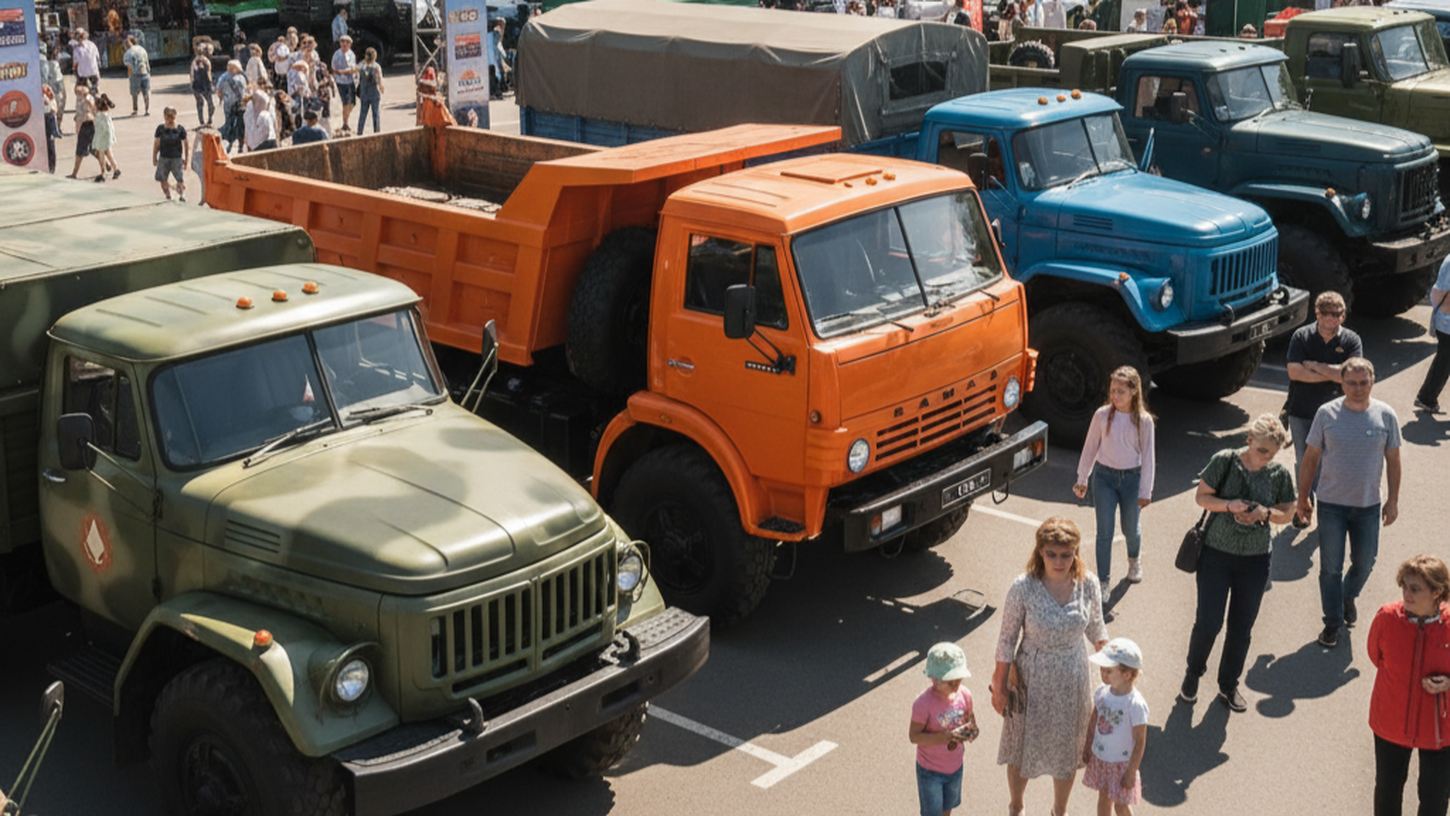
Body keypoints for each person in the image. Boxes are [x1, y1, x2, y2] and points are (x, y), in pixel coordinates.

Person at [1179, 414, 1296, 713]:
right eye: (1262, 451)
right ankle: (1193, 674)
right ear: (1249, 441)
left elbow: (1288, 513)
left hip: (1255, 560)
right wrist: (1229, 505)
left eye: (1271, 453)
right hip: (1216, 554)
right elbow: (1202, 497)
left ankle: (1228, 684)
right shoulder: (1225, 460)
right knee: (1209, 622)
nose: (1266, 458)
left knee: (1241, 627)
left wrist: (1265, 514)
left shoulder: (1279, 474)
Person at [993, 517, 1108, 816]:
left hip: (1073, 678)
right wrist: (999, 686)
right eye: (1052, 554)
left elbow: (1097, 629)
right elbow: (1006, 640)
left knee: (1067, 749)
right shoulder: (1023, 587)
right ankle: (1016, 806)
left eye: (1066, 554)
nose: (1059, 561)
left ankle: (1060, 810)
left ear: (1076, 553)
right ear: (1040, 552)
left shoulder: (1089, 584)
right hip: (1031, 679)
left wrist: (1114, 674)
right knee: (1021, 748)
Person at [1299, 357, 1402, 649]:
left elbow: (1393, 461)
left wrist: (1393, 500)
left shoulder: (1386, 416)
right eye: (1351, 383)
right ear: (1341, 383)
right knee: (1330, 568)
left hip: (1368, 505)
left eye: (1363, 382)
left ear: (1372, 381)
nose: (1358, 388)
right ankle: (1332, 624)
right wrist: (1302, 497)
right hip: (1331, 505)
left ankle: (1346, 596)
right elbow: (1310, 459)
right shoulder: (1326, 414)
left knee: (1365, 562)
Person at [1367, 554, 1450, 816]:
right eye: (1404, 585)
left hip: (1441, 729)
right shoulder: (1387, 618)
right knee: (1388, 791)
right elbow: (1375, 655)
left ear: (1437, 592)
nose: (1406, 593)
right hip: (1390, 721)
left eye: (1415, 588)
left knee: (1435, 797)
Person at [1074, 366, 1156, 592]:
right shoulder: (1101, 415)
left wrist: (1145, 492)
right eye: (1113, 390)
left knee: (1131, 528)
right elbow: (1090, 448)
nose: (1115, 396)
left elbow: (1149, 458)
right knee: (1104, 532)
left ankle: (1134, 560)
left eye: (1121, 391)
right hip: (1104, 478)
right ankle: (1103, 581)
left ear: (1133, 392)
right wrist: (1083, 478)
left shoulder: (1144, 420)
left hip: (1132, 479)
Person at [1286, 291, 1363, 527]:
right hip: (1302, 411)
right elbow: (1294, 372)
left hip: (1337, 412)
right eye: (1327, 314)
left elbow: (1351, 375)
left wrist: (1316, 366)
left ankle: (1330, 508)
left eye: (1337, 314)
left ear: (1343, 315)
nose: (1332, 319)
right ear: (1317, 314)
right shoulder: (1301, 336)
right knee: (1305, 461)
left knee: (1332, 461)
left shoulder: (1351, 340)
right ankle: (1303, 508)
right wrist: (1332, 374)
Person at [910, 642, 979, 816]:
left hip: (955, 767)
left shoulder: (965, 695)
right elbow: (914, 736)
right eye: (950, 680)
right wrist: (945, 737)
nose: (956, 683)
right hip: (930, 772)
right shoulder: (923, 703)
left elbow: (972, 725)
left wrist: (969, 732)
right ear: (934, 678)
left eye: (959, 678)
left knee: (947, 809)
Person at [1082, 638, 1148, 816]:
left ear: (1127, 674)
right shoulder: (1102, 693)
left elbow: (1140, 740)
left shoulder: (1134, 704)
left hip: (1122, 765)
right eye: (1102, 669)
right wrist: (1088, 745)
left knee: (1121, 805)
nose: (1103, 673)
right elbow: (1094, 719)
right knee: (1104, 798)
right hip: (1102, 759)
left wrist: (1131, 771)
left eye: (1108, 670)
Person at [1414, 255, 1450, 413]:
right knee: (1444, 361)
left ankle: (1426, 398)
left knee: (1444, 361)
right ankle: (1426, 398)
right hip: (1447, 323)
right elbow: (1441, 293)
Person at [65, 84, 102, 180]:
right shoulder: (80, 100)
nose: (77, 94)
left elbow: (94, 111)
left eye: (78, 93)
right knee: (93, 149)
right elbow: (79, 114)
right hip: (84, 126)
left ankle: (74, 173)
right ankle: (106, 165)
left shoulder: (88, 100)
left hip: (88, 126)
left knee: (80, 151)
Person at [153, 107, 188, 201]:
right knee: (162, 178)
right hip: (163, 157)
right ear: (164, 116)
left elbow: (186, 145)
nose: (170, 119)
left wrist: (186, 160)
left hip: (176, 158)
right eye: (168, 116)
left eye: (172, 116)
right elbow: (156, 144)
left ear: (175, 116)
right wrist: (154, 157)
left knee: (179, 178)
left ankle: (182, 195)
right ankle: (168, 195)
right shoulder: (160, 129)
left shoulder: (180, 129)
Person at [217, 60, 248, 152]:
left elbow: (218, 90)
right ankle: (237, 145)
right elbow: (245, 90)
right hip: (239, 105)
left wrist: (221, 98)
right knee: (239, 125)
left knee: (231, 124)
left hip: (230, 105)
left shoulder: (223, 77)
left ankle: (231, 144)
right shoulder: (241, 77)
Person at [331, 34, 357, 135]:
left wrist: (350, 71)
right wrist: (341, 72)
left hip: (351, 81)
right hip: (341, 82)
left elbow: (353, 67)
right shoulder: (336, 54)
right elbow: (334, 68)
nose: (344, 44)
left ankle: (346, 118)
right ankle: (345, 123)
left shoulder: (352, 54)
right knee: (346, 103)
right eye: (342, 42)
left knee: (352, 103)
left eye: (347, 43)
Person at [90, 93, 120, 181]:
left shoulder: (100, 116)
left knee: (101, 156)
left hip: (102, 138)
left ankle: (103, 173)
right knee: (110, 155)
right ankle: (116, 169)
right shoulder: (106, 115)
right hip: (107, 138)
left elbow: (102, 128)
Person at [356, 46, 384, 135]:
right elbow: (379, 79)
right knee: (376, 114)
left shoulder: (361, 65)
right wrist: (381, 87)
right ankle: (377, 132)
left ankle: (359, 132)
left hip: (364, 93)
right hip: (374, 94)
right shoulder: (376, 66)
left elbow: (356, 74)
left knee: (362, 114)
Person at [122, 35, 151, 116]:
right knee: (146, 93)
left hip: (135, 75)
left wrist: (129, 77)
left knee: (134, 94)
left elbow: (129, 68)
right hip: (145, 73)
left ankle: (135, 110)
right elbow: (147, 63)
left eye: (125, 44)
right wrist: (148, 72)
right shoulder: (142, 49)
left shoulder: (128, 53)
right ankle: (147, 110)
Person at [244, 85, 278, 151]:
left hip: (254, 144)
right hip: (265, 143)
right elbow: (273, 127)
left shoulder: (249, 108)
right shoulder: (265, 113)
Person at [42, 46, 66, 132]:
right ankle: (57, 127)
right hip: (56, 87)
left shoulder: (43, 63)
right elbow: (57, 79)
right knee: (58, 107)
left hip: (50, 88)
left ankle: (54, 127)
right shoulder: (53, 64)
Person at [191, 45, 215, 126]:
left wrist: (192, 84)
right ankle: (210, 119)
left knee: (199, 103)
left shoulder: (194, 61)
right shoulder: (206, 61)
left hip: (196, 85)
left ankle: (201, 121)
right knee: (210, 103)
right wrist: (211, 84)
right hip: (205, 85)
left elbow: (191, 74)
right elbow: (208, 73)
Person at [70, 28, 100, 93]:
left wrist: (75, 73)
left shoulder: (76, 49)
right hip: (94, 72)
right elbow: (98, 58)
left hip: (83, 75)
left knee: (82, 93)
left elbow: (75, 65)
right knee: (95, 91)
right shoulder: (92, 44)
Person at [190, 126, 211, 205]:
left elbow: (195, 147)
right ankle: (204, 198)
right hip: (206, 157)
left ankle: (204, 198)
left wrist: (192, 160)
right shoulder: (211, 134)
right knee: (206, 179)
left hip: (202, 157)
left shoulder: (200, 134)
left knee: (203, 179)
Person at [41, 84, 59, 173]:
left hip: (49, 120)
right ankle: (46, 165)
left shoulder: (51, 100)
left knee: (50, 144)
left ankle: (51, 167)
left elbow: (54, 110)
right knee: (44, 145)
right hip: (43, 120)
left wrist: (48, 103)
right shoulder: (43, 98)